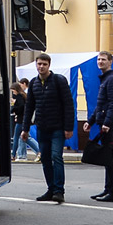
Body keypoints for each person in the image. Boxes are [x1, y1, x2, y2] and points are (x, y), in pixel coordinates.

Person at [22, 53, 73, 203]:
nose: (41, 67)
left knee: (56, 156)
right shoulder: (34, 83)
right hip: (42, 128)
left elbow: (68, 105)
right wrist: (25, 129)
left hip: (57, 128)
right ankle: (50, 189)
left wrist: (68, 128)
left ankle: (59, 190)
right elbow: (29, 107)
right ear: (36, 65)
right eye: (39, 64)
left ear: (49, 65)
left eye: (44, 64)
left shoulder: (59, 80)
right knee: (44, 158)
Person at [86, 50, 113, 202]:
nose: (100, 62)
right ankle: (108, 189)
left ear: (110, 62)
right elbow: (100, 104)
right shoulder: (105, 80)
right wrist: (91, 121)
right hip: (103, 123)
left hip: (109, 125)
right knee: (107, 158)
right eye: (99, 60)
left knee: (108, 158)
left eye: (103, 60)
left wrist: (107, 123)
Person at [12, 78, 39, 162]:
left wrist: (13, 109)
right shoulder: (24, 95)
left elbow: (21, 107)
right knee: (22, 137)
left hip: (21, 120)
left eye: (13, 91)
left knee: (21, 137)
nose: (13, 93)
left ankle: (18, 155)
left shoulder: (20, 96)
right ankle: (21, 155)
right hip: (23, 119)